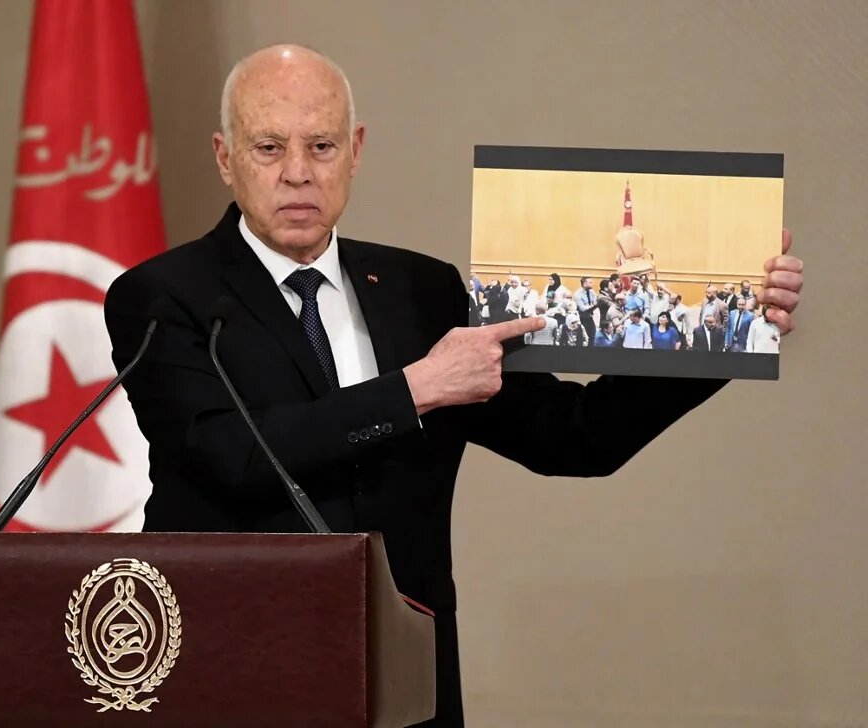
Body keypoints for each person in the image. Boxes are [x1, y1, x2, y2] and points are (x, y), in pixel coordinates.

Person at [102, 44, 804, 728]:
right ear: (225, 157)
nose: (298, 173)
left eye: (321, 146)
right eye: (268, 147)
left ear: (356, 150)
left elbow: (576, 436)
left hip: (404, 678)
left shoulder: (421, 290)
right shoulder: (162, 296)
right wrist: (416, 389)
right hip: (235, 673)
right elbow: (231, 455)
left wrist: (728, 326)